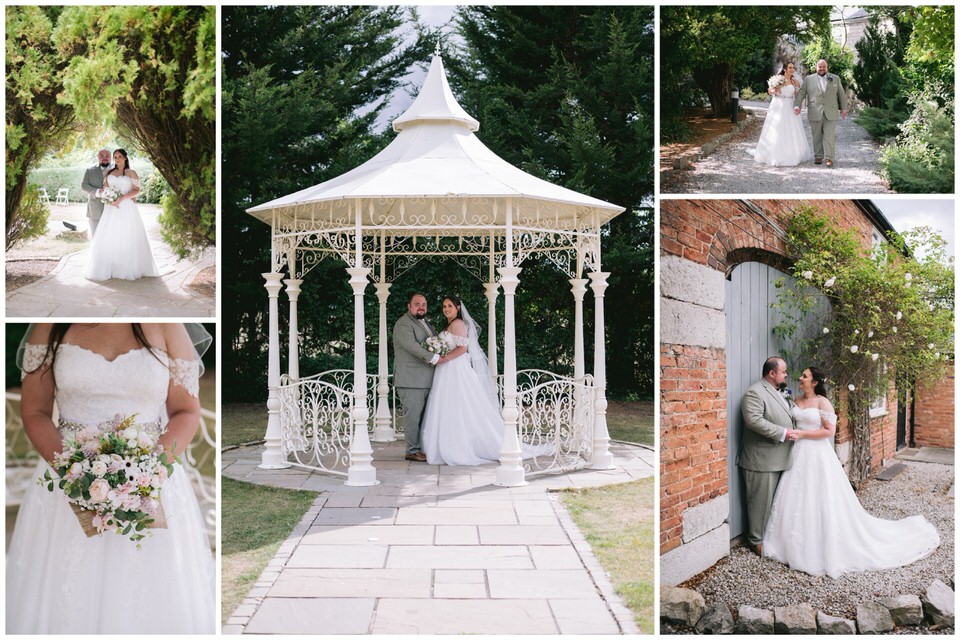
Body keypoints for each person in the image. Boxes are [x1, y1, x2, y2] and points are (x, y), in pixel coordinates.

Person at [7, 323, 215, 633]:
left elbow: (186, 410)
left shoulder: (165, 323)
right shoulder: (53, 323)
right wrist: (73, 473)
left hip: (150, 483)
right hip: (67, 481)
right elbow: (35, 409)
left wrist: (148, 472)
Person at [763, 367, 940, 578]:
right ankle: (790, 542)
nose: (799, 378)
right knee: (795, 495)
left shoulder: (822, 402)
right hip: (798, 453)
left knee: (820, 496)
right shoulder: (796, 399)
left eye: (804, 376)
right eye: (801, 376)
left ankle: (824, 544)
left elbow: (830, 431)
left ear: (815, 382)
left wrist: (802, 433)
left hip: (817, 454)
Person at [420, 296, 504, 466]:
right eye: (444, 306)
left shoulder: (457, 324)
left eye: (450, 306)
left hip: (455, 368)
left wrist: (444, 357)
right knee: (446, 404)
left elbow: (463, 348)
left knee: (459, 404)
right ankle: (445, 443)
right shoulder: (450, 324)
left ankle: (460, 446)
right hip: (446, 370)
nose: (446, 309)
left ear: (458, 307)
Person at [737, 356, 798, 557]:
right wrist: (784, 433)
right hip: (761, 459)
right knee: (759, 503)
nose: (786, 375)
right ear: (772, 373)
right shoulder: (755, 392)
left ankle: (769, 536)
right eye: (783, 372)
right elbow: (753, 421)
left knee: (775, 502)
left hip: (780, 457)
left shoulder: (782, 392)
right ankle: (755, 540)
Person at [85, 149, 160, 281]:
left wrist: (122, 198)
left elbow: (136, 190)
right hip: (111, 209)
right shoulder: (110, 173)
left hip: (126, 208)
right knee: (111, 237)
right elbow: (107, 190)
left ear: (125, 158)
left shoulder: (131, 173)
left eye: (120, 156)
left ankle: (128, 267)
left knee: (126, 236)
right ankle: (112, 267)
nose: (117, 159)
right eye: (115, 157)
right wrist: (110, 198)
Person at [393, 293, 441, 462]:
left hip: (426, 379)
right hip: (411, 380)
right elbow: (412, 346)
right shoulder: (403, 324)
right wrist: (434, 358)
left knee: (424, 417)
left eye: (424, 304)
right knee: (413, 417)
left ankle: (421, 448)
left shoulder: (426, 323)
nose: (421, 307)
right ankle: (412, 450)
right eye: (417, 304)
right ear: (409, 306)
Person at [753, 62, 813, 167]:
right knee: (777, 128)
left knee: (790, 129)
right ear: (785, 69)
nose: (792, 69)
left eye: (793, 68)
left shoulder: (795, 81)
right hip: (778, 105)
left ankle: (791, 153)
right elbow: (770, 91)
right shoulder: (777, 79)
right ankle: (774, 154)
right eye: (790, 67)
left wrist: (798, 106)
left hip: (790, 105)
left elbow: (797, 95)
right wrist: (774, 90)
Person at [793, 59, 848, 167]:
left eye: (824, 67)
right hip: (814, 111)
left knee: (829, 135)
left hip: (831, 111)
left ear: (827, 68)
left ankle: (829, 158)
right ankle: (818, 156)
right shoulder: (809, 79)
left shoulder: (835, 78)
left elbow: (841, 94)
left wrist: (844, 109)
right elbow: (801, 93)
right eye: (820, 67)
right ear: (816, 67)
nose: (822, 69)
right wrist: (797, 105)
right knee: (816, 135)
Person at [80, 149, 113, 237]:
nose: (105, 157)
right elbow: (83, 185)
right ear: (98, 157)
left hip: (113, 209)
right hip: (95, 209)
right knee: (96, 236)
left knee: (112, 237)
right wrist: (97, 192)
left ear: (111, 157)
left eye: (107, 155)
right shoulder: (90, 170)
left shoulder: (118, 169)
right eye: (102, 155)